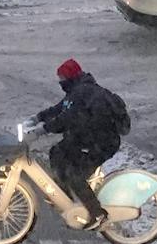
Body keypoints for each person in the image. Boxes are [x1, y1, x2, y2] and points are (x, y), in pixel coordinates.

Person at [33, 58, 131, 225]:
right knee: (57, 152)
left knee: (75, 175)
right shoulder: (77, 91)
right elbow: (60, 108)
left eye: (62, 79)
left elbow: (67, 118)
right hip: (88, 138)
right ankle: (64, 194)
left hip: (102, 143)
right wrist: (37, 118)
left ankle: (98, 215)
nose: (60, 82)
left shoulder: (83, 93)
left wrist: (43, 129)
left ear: (70, 77)